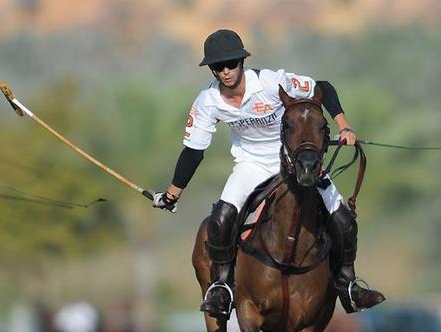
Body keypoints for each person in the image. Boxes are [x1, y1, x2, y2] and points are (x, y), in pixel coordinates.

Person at [152, 29, 385, 317]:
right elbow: (193, 151)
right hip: (251, 165)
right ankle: (223, 288)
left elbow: (322, 86)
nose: (225, 72)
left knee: (343, 218)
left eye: (231, 64)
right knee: (222, 217)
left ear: (241, 62)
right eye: (218, 67)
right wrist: (173, 194)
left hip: (293, 162)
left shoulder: (271, 82)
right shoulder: (208, 101)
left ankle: (348, 285)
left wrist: (344, 126)